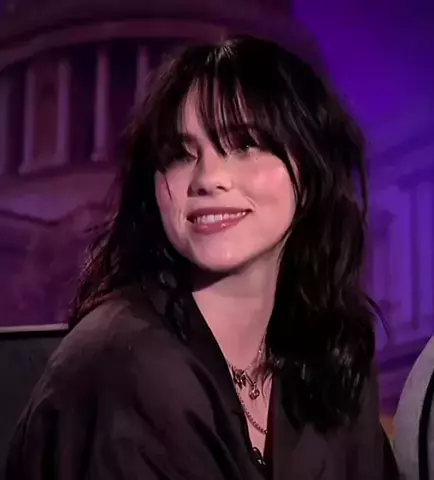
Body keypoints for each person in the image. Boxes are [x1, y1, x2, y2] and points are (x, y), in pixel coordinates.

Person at [6, 35, 398, 479]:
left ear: (310, 170)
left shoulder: (334, 350)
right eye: (180, 155)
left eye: (245, 144)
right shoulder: (123, 367)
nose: (208, 178)